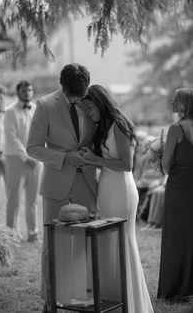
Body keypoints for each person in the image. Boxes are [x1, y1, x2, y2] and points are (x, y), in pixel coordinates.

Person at [27, 63, 97, 313]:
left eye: (81, 94)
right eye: (72, 95)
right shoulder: (45, 105)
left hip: (87, 185)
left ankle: (85, 297)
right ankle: (50, 300)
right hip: (56, 185)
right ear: (62, 85)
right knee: (52, 246)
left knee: (87, 245)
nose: (77, 99)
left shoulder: (91, 103)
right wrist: (66, 158)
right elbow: (33, 148)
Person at [81, 84, 154, 313]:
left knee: (122, 242)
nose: (88, 112)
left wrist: (95, 159)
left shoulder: (119, 126)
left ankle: (132, 304)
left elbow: (126, 165)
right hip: (107, 188)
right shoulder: (100, 127)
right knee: (108, 245)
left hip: (121, 189)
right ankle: (113, 302)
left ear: (101, 102)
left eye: (90, 107)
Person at [157, 87, 193, 302]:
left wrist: (173, 172)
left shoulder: (175, 129)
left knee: (175, 238)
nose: (172, 105)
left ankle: (174, 289)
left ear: (185, 104)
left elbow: (166, 163)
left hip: (179, 187)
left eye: (175, 102)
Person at [4, 80, 40, 242]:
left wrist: (38, 156)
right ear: (18, 92)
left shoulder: (37, 110)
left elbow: (41, 134)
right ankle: (12, 235)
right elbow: (12, 139)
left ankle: (33, 233)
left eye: (30, 90)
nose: (27, 93)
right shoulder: (10, 112)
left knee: (32, 200)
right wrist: (26, 157)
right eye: (24, 91)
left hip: (36, 161)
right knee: (14, 199)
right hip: (16, 160)